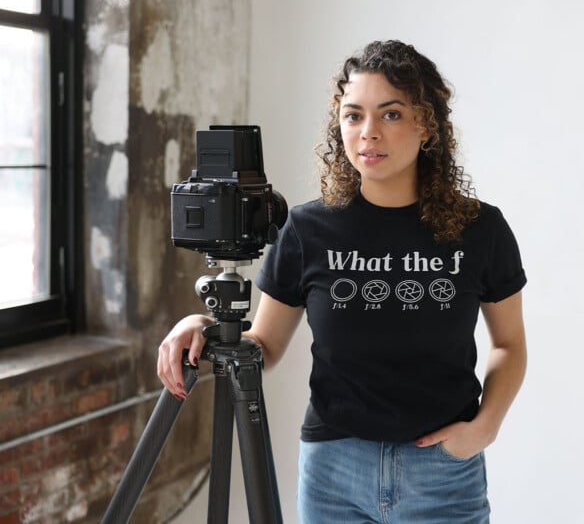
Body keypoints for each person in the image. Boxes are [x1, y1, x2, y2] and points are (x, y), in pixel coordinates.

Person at [157, 39, 527, 523]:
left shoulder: (480, 230)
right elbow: (263, 347)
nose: (368, 132)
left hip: (442, 471)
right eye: (353, 116)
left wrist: (486, 427)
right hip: (334, 470)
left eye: (391, 114)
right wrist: (205, 325)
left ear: (427, 126)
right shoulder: (308, 229)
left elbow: (509, 344)